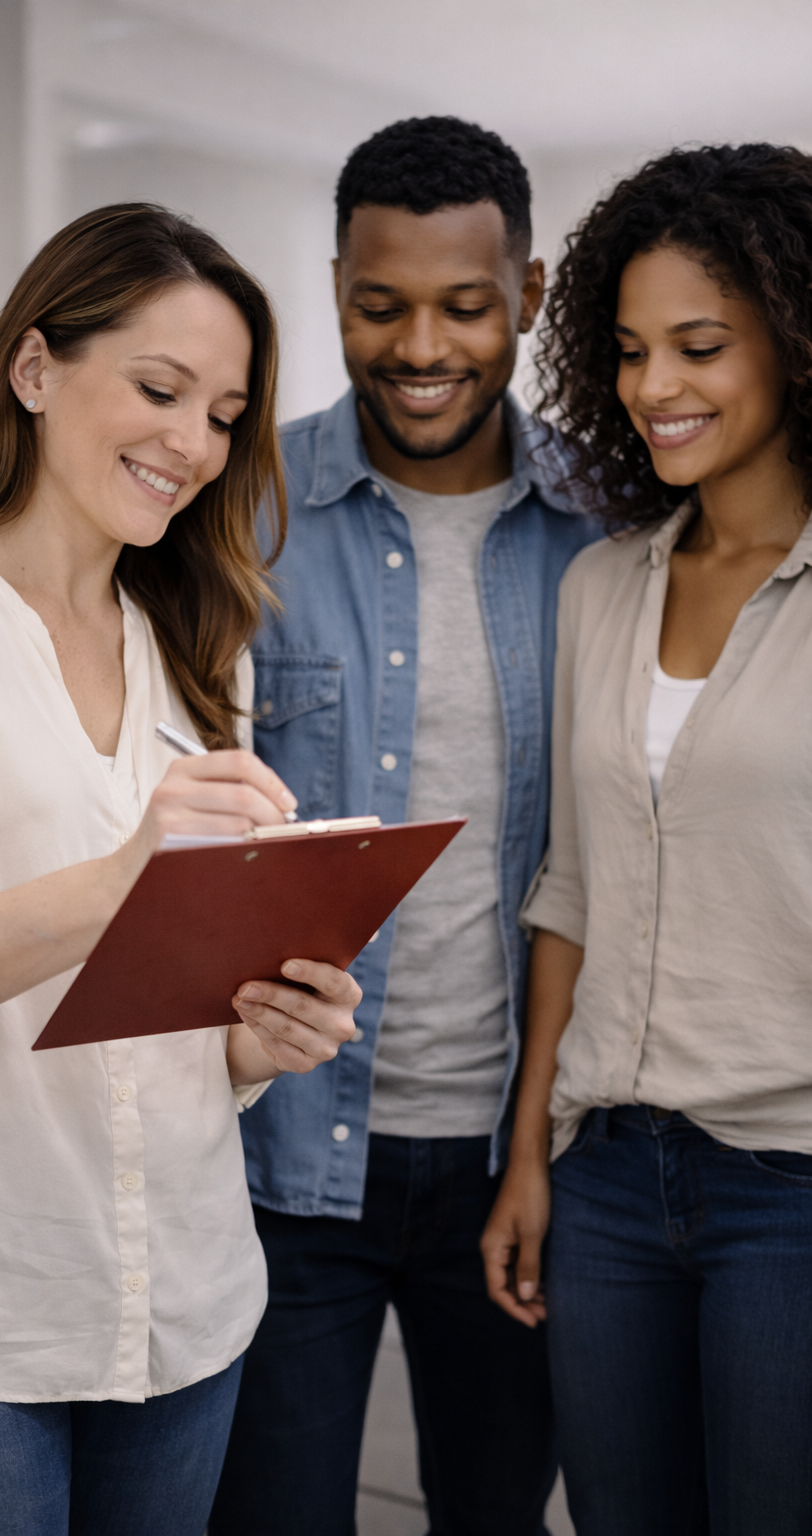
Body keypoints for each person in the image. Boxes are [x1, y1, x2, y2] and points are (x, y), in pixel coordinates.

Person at [0, 203, 362, 1536]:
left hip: (185, 1308)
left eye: (223, 413)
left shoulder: (198, 644)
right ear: (34, 370)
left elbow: (155, 1011)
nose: (192, 443)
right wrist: (118, 881)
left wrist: (251, 1046)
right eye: (159, 389)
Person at [210, 117, 601, 1536]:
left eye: (463, 305)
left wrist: (543, 1153)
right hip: (281, 1160)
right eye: (381, 306)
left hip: (526, 1159)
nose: (420, 345)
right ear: (332, 289)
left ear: (534, 295)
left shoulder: (616, 530)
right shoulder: (234, 510)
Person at [481, 143, 812, 1536]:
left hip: (792, 1186)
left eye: (699, 346)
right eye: (627, 351)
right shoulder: (604, 586)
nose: (653, 387)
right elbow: (569, 891)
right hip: (609, 1176)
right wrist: (531, 1150)